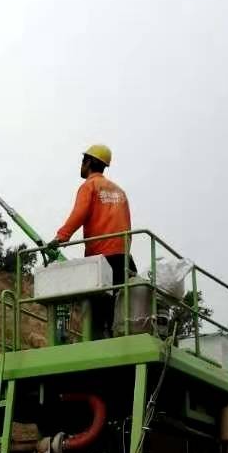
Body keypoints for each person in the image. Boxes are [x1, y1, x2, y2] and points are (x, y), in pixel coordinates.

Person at [52, 143, 135, 337]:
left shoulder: (89, 186)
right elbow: (128, 227)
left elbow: (79, 214)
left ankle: (99, 344)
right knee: (119, 308)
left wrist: (60, 237)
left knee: (98, 311)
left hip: (101, 259)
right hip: (123, 257)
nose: (81, 165)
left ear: (89, 162)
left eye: (83, 161)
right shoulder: (120, 192)